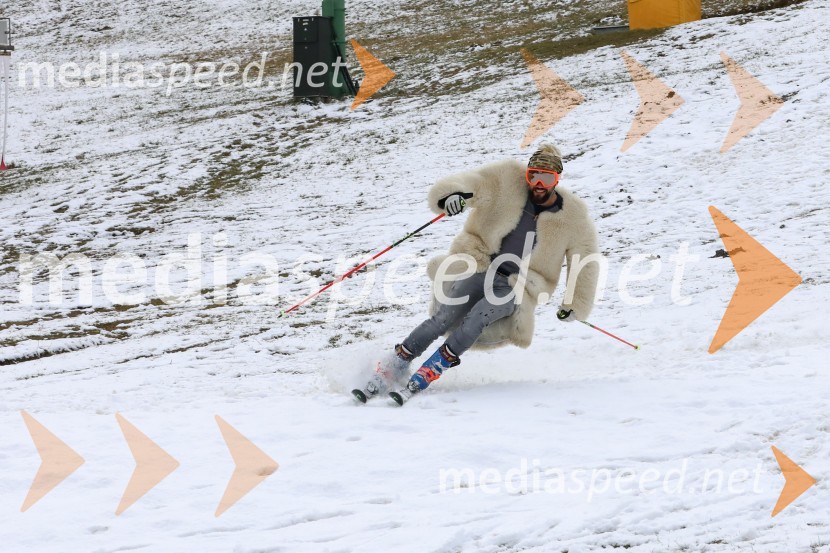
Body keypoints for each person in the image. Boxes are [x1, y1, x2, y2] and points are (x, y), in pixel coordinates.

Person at [352, 143, 601, 405]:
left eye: (547, 178)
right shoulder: (506, 180)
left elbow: (585, 260)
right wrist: (452, 195)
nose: (539, 184)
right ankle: (396, 364)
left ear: (557, 179)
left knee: (477, 317)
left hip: (518, 286)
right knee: (444, 316)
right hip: (482, 266)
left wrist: (575, 304)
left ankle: (432, 368)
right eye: (533, 176)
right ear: (526, 174)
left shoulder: (573, 217)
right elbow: (473, 184)